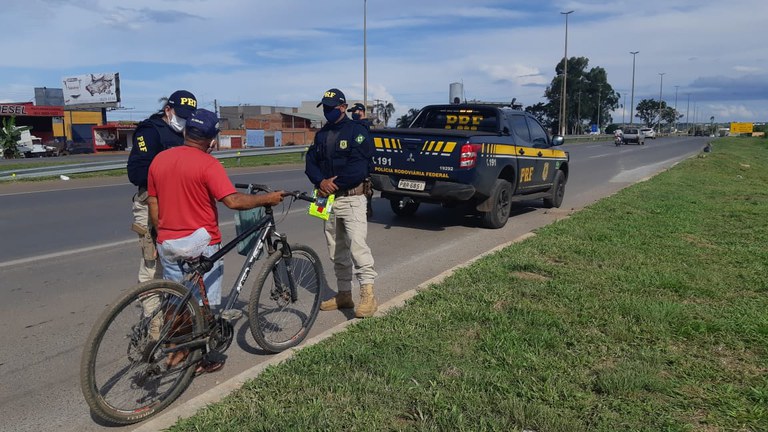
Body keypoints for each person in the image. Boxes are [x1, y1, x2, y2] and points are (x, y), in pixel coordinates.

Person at [147, 108, 284, 372]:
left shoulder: (160, 160)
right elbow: (233, 201)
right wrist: (267, 198)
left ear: (186, 132)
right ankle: (201, 358)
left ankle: (176, 352)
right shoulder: (209, 164)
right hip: (201, 245)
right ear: (212, 140)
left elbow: (154, 202)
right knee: (203, 304)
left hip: (167, 242)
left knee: (177, 301)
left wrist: (160, 235)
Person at [305, 88, 378, 318]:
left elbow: (359, 166)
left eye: (332, 108)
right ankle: (344, 294)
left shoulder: (357, 132)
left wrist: (332, 184)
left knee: (357, 246)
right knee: (336, 250)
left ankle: (368, 295)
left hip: (351, 197)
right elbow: (310, 162)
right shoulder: (321, 135)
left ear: (343, 107)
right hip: (326, 200)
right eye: (325, 108)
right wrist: (320, 181)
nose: (328, 112)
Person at [127, 90, 198, 283]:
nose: (184, 121)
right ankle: (153, 314)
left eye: (189, 117)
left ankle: (178, 308)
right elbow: (136, 172)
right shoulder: (150, 131)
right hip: (151, 202)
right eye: (181, 116)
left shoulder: (188, 134)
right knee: (153, 263)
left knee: (182, 262)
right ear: (168, 110)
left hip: (179, 204)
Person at [346, 102, 374, 218]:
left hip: (363, 160)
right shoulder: (354, 125)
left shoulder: (364, 126)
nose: (353, 114)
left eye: (355, 111)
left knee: (365, 187)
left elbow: (358, 142)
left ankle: (367, 209)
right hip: (355, 160)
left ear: (361, 112)